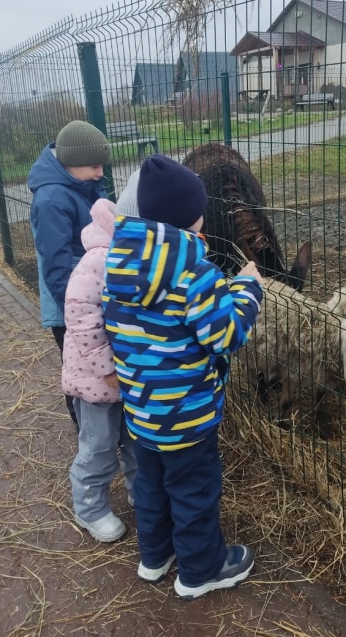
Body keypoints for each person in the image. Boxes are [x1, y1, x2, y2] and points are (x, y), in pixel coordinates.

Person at [102, 154, 264, 600]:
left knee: (152, 486)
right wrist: (249, 289)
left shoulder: (117, 267)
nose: (204, 232)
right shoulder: (196, 274)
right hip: (189, 416)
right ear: (181, 226)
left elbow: (154, 322)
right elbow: (225, 335)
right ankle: (202, 569)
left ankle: (154, 556)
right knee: (194, 492)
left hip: (143, 412)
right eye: (198, 223)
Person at [62, 195, 138, 543]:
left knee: (135, 441)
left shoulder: (137, 255)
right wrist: (106, 365)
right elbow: (79, 314)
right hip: (97, 380)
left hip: (129, 377)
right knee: (99, 445)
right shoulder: (100, 259)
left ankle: (143, 494)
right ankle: (89, 508)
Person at [28, 120, 111, 429]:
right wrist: (74, 309)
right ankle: (86, 431)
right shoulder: (51, 200)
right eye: (94, 166)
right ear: (71, 163)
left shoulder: (82, 183)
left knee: (95, 363)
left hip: (88, 295)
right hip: (71, 304)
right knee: (79, 367)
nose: (100, 172)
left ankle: (106, 430)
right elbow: (56, 262)